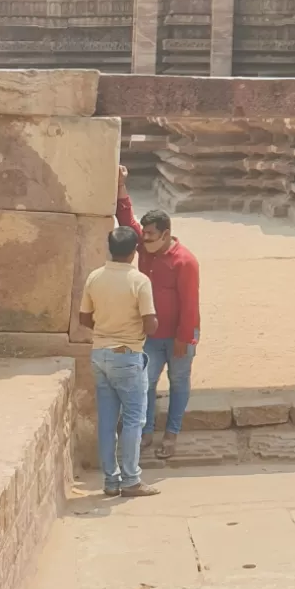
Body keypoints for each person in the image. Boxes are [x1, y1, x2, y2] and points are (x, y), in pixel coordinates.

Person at [116, 168, 201, 459]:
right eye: (145, 234)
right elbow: (126, 220)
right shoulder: (147, 249)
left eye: (150, 235)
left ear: (166, 234)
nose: (144, 239)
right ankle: (146, 430)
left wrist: (184, 338)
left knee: (178, 382)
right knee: (147, 382)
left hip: (179, 334)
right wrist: (121, 187)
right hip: (152, 333)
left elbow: (190, 303)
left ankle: (172, 433)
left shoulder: (185, 261)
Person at [79, 224, 161, 499]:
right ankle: (131, 480)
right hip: (127, 354)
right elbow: (151, 326)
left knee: (107, 419)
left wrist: (105, 328)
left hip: (100, 353)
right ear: (134, 251)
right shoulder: (139, 281)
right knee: (133, 419)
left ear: (110, 249)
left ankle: (110, 480)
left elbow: (83, 318)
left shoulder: (95, 277)